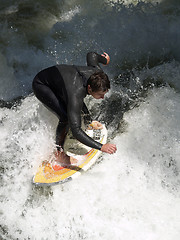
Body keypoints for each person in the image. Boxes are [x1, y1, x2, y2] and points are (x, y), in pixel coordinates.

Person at [32, 51, 117, 166]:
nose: (102, 98)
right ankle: (59, 153)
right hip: (42, 84)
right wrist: (101, 147)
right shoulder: (75, 94)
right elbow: (76, 131)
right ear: (90, 89)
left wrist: (104, 60)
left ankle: (88, 123)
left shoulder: (98, 73)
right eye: (100, 95)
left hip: (59, 79)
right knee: (65, 117)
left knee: (76, 106)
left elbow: (91, 55)